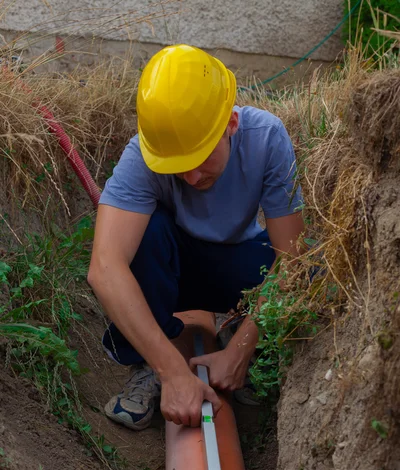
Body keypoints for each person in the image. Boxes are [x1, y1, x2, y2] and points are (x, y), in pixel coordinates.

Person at [88, 44, 304, 431]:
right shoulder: (143, 156)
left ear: (230, 126)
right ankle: (147, 367)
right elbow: (105, 268)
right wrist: (172, 372)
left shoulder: (266, 139)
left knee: (287, 261)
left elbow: (293, 258)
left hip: (237, 269)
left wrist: (239, 351)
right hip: (171, 271)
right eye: (177, 166)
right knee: (146, 234)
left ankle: (244, 336)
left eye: (200, 159)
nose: (190, 178)